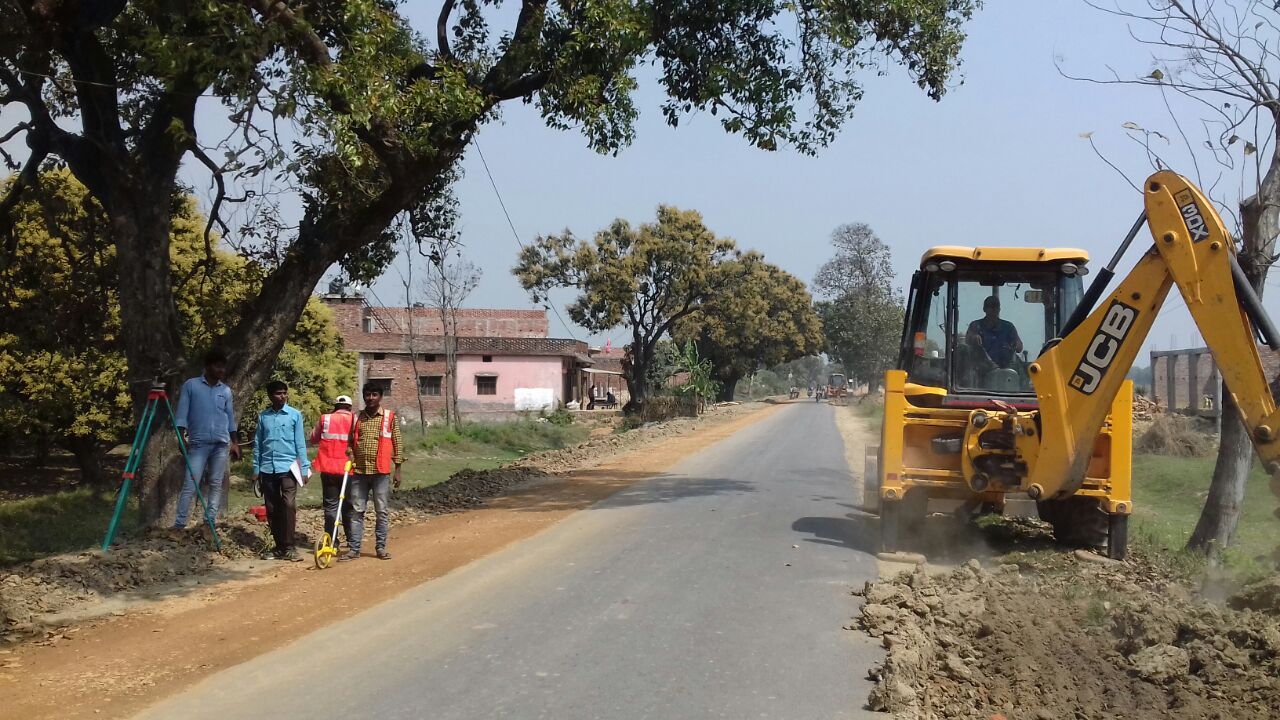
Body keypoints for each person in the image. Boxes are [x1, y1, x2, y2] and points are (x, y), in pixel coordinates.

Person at [173, 348, 241, 529]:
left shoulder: (225, 391)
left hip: (221, 443)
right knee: (191, 483)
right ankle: (179, 524)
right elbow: (181, 414)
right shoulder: (191, 385)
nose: (221, 371)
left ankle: (209, 521)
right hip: (198, 442)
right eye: (218, 367)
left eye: (223, 367)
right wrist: (180, 437)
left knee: (216, 483)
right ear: (208, 367)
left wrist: (235, 442)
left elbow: (230, 418)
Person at [343, 383, 404, 561]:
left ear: (380, 397)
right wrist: (351, 454)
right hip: (359, 472)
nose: (370, 398)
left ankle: (380, 548)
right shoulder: (356, 418)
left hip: (381, 472)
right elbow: (349, 443)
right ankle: (354, 549)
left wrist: (398, 469)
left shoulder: (389, 417)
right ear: (363, 397)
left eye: (374, 394)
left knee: (382, 511)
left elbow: (397, 443)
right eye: (367, 395)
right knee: (357, 511)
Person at [252, 380, 310, 561]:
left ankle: (289, 546)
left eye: (285, 392)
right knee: (271, 507)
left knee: (288, 504)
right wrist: (256, 469)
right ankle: (278, 547)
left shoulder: (295, 415)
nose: (283, 396)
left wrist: (305, 467)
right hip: (268, 468)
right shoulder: (263, 417)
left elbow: (300, 443)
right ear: (270, 396)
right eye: (278, 393)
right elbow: (258, 444)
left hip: (288, 467)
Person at [309, 395, 356, 552]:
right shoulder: (356, 420)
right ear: (349, 407)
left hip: (328, 468)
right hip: (349, 469)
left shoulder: (325, 419)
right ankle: (352, 541)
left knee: (330, 506)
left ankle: (331, 541)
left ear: (336, 406)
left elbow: (313, 438)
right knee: (348, 506)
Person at [965, 296, 1023, 369]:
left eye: (996, 307)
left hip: (1005, 370)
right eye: (990, 307)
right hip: (981, 371)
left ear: (999, 309)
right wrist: (974, 338)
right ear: (984, 309)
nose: (993, 309)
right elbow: (967, 341)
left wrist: (1017, 343)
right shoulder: (976, 325)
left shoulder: (1008, 327)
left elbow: (1019, 348)